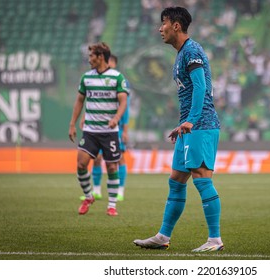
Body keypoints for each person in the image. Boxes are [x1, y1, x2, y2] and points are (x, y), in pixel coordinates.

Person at [133, 7, 223, 252]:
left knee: (202, 179)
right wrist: (183, 123)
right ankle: (163, 236)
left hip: (201, 125)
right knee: (176, 180)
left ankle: (215, 239)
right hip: (190, 126)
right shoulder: (182, 53)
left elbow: (201, 86)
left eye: (163, 23)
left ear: (175, 25)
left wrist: (192, 120)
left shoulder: (192, 50)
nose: (159, 28)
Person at [68, 42, 128, 216]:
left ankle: (111, 205)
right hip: (91, 131)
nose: (89, 60)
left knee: (111, 167)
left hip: (109, 133)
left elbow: (123, 101)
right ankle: (88, 196)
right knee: (81, 164)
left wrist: (116, 118)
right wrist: (72, 123)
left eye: (91, 56)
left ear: (100, 56)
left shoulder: (117, 77)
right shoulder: (86, 78)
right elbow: (80, 101)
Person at [79, 54, 130, 201]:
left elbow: (125, 107)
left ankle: (120, 190)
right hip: (97, 127)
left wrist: (125, 129)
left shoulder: (120, 80)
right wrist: (84, 117)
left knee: (118, 159)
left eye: (111, 62)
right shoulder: (95, 79)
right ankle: (96, 191)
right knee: (97, 158)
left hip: (115, 127)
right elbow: (91, 102)